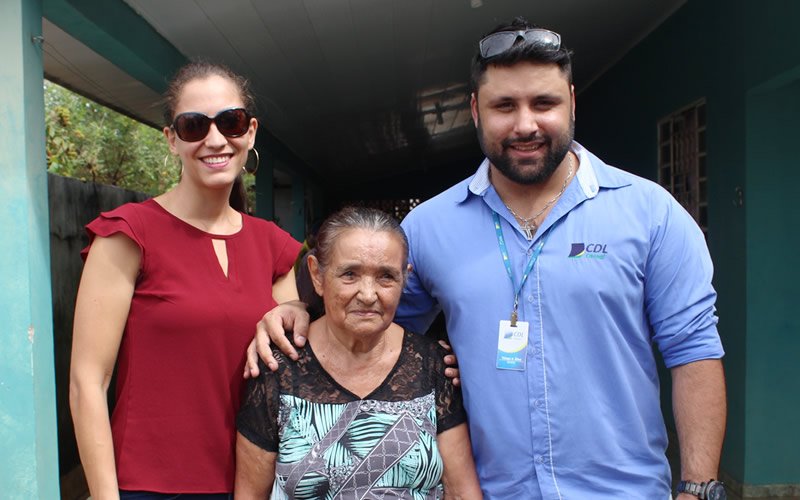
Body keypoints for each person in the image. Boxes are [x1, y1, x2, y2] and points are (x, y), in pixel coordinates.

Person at [251, 18, 727, 499]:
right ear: (476, 110)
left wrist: (696, 486)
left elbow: (694, 351)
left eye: (544, 103)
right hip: (489, 490)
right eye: (505, 106)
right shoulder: (429, 227)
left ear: (573, 103)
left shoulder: (650, 212)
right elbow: (368, 317)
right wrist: (296, 311)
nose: (525, 124)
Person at [69, 60, 302, 498]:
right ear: (172, 140)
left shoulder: (273, 245)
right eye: (194, 126)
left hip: (254, 483)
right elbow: (87, 382)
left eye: (230, 122)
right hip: (151, 486)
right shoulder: (129, 233)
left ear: (250, 131)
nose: (215, 139)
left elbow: (294, 360)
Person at [235, 207, 482, 499]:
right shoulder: (278, 367)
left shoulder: (433, 366)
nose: (368, 294)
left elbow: (460, 490)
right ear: (317, 275)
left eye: (386, 277)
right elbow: (251, 494)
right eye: (350, 274)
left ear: (405, 278)